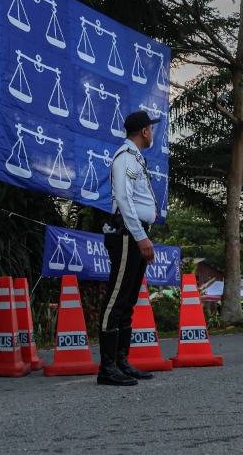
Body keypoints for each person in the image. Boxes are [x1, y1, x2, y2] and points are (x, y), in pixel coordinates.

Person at [97, 110, 160, 386]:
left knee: (129, 300)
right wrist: (140, 236)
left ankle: (121, 361)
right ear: (145, 131)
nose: (153, 134)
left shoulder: (135, 158)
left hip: (135, 234)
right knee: (117, 299)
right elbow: (124, 199)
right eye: (151, 129)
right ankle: (107, 367)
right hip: (125, 234)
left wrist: (143, 234)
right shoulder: (124, 158)